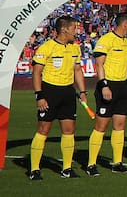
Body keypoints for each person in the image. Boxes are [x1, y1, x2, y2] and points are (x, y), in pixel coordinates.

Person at [29, 16, 89, 180]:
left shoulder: (75, 48)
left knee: (69, 131)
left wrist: (83, 92)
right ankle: (34, 169)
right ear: (64, 29)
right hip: (49, 92)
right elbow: (36, 73)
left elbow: (77, 71)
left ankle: (67, 169)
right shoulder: (46, 48)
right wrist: (39, 95)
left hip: (68, 93)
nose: (76, 32)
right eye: (74, 28)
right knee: (43, 130)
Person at [87, 10, 127, 176]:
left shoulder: (126, 42)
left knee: (120, 126)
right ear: (125, 24)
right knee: (101, 126)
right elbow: (99, 64)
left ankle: (117, 163)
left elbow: (126, 65)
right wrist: (104, 86)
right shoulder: (106, 40)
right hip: (108, 86)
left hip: (123, 87)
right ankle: (91, 164)